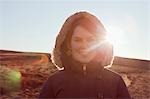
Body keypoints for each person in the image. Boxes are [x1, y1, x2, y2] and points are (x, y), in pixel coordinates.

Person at [39, 11, 131, 98]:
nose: (84, 45)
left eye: (90, 40)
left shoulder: (115, 81)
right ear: (68, 44)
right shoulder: (54, 82)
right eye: (77, 40)